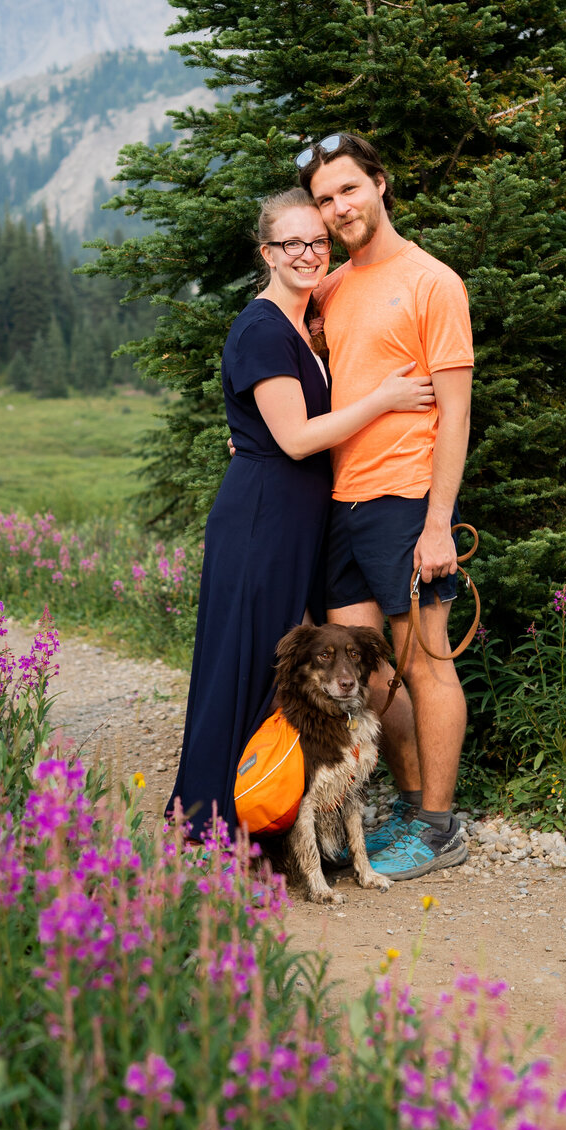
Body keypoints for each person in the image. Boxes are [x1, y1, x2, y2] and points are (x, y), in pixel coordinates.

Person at [168, 185, 434, 838]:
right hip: (262, 522)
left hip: (291, 520)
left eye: (317, 240)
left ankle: (267, 815)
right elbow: (293, 438)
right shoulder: (262, 326)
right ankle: (215, 825)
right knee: (252, 666)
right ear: (267, 252)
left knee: (278, 667)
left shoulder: (301, 323)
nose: (309, 253)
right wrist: (385, 398)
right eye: (292, 243)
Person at [299, 132, 475, 881]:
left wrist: (439, 521)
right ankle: (405, 802)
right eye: (323, 200)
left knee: (426, 663)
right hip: (343, 500)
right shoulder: (332, 288)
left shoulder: (434, 282)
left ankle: (438, 828)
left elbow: (457, 412)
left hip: (405, 500)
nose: (338, 208)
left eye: (348, 190)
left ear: (379, 183)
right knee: (371, 676)